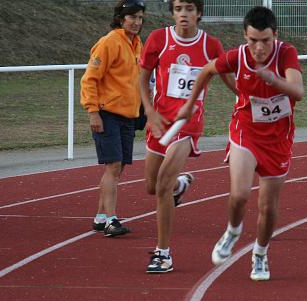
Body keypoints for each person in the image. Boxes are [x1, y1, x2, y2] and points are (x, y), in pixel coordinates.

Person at [177, 6, 304, 281]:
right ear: (245, 37)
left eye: (265, 41)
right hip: (246, 129)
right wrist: (190, 104)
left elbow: (298, 91)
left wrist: (274, 79)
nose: (259, 48)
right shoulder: (239, 57)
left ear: (275, 36)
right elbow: (207, 70)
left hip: (278, 138)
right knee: (240, 195)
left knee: (268, 207)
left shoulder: (285, 54)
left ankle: (260, 253)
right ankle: (232, 231)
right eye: (253, 41)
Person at [139, 0, 236, 273]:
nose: (184, 14)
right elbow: (142, 76)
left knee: (162, 185)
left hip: (188, 123)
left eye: (190, 9)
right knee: (152, 187)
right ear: (173, 12)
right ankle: (181, 186)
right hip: (160, 122)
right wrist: (149, 112)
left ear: (199, 13)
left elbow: (230, 80)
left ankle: (163, 254)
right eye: (179, 8)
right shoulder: (159, 39)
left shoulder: (210, 45)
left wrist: (254, 99)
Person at [80, 0, 146, 237]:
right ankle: (110, 220)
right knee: (114, 166)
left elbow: (137, 80)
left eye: (140, 17)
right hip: (107, 114)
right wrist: (93, 111)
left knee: (117, 169)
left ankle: (100, 217)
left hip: (128, 116)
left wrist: (141, 109)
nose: (137, 22)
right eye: (132, 17)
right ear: (121, 18)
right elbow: (90, 79)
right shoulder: (109, 42)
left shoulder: (137, 44)